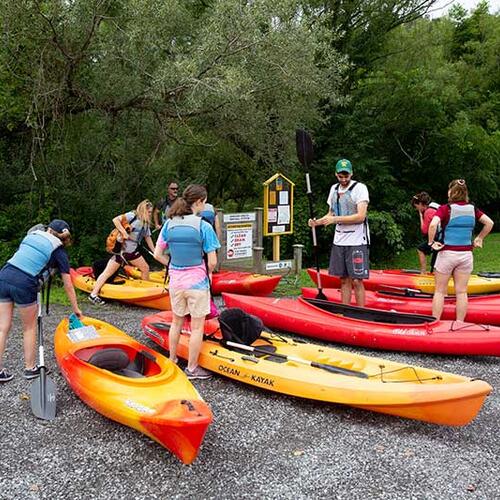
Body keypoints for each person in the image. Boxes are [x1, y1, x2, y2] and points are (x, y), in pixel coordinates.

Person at [0, 220, 82, 382]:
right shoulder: (59, 252)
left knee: (2, 327)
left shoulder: (32, 236)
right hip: (25, 283)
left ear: (49, 229)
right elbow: (68, 285)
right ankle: (30, 368)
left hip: (4, 275)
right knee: (29, 328)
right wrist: (76, 309)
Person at [154, 184, 220, 380]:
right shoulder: (204, 226)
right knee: (197, 327)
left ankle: (172, 359)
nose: (205, 206)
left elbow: (158, 254)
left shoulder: (169, 224)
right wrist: (208, 272)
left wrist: (172, 264)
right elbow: (213, 260)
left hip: (176, 282)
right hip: (197, 283)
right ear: (198, 202)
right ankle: (192, 368)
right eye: (204, 202)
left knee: (176, 322)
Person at [428, 179, 493, 321]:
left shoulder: (445, 209)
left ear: (451, 192)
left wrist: (431, 242)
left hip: (447, 254)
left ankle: (435, 322)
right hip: (466, 256)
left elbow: (433, 225)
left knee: (439, 291)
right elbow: (489, 223)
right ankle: (459, 323)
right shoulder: (473, 209)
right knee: (462, 292)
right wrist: (479, 238)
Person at [308, 158, 370, 306]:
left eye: (346, 176)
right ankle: (345, 311)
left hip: (357, 240)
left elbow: (361, 216)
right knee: (343, 279)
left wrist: (334, 220)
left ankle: (361, 313)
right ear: (336, 174)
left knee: (356, 280)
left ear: (351, 174)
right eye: (340, 176)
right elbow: (331, 214)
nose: (343, 179)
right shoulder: (334, 189)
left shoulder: (360, 188)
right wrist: (316, 222)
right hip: (340, 240)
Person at [89, 200, 156, 304]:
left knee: (145, 268)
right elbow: (115, 220)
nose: (150, 214)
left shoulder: (145, 223)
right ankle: (93, 294)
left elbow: (148, 238)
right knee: (107, 272)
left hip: (132, 252)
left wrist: (155, 252)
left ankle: (145, 293)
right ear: (143, 210)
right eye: (149, 212)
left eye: (151, 212)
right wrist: (124, 232)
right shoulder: (132, 215)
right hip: (121, 252)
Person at [411, 192, 441, 274]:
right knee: (435, 262)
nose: (417, 209)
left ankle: (423, 272)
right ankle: (434, 271)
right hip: (446, 236)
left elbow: (424, 231)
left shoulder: (428, 212)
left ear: (420, 204)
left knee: (420, 249)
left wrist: (421, 216)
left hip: (439, 239)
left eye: (416, 207)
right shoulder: (435, 206)